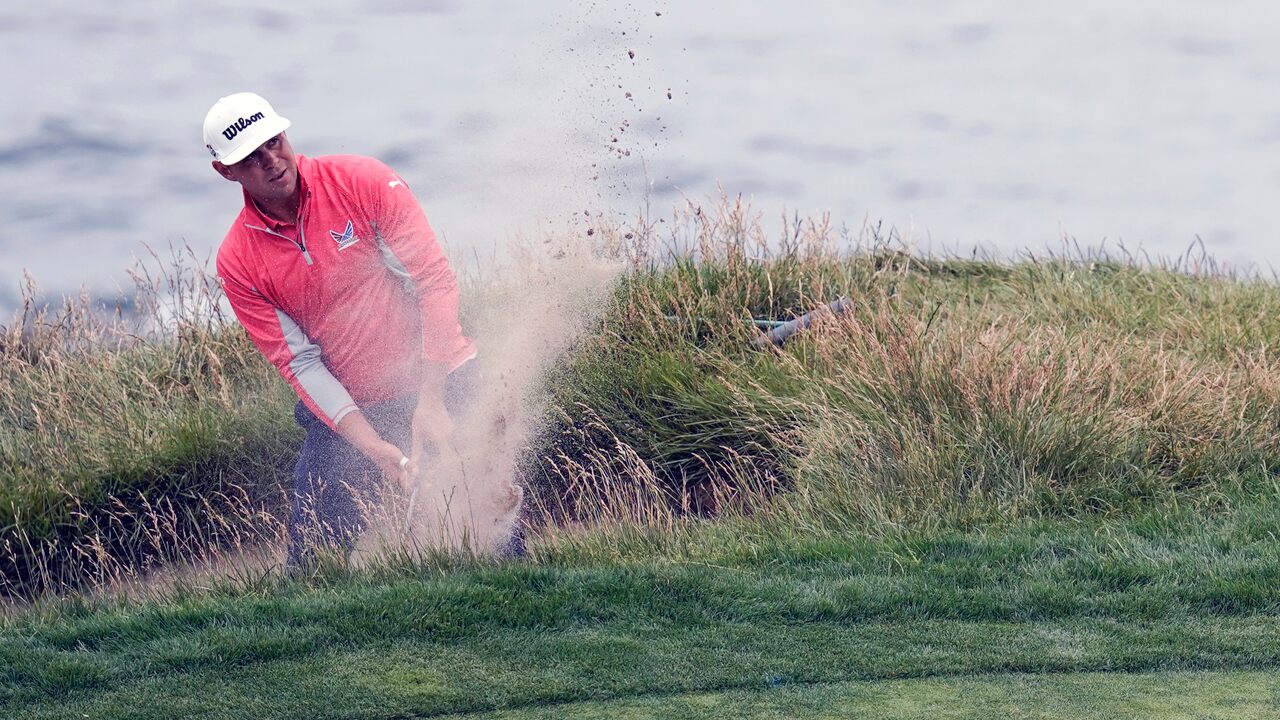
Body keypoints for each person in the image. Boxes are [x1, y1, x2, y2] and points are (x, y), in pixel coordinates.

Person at [203, 91, 517, 568]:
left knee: (497, 547)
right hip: (356, 406)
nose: (271, 161)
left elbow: (432, 280)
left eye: (274, 142)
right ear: (227, 172)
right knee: (312, 569)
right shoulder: (238, 261)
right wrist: (372, 448)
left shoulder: (361, 180)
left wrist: (430, 401)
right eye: (250, 157)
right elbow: (300, 364)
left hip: (443, 377)